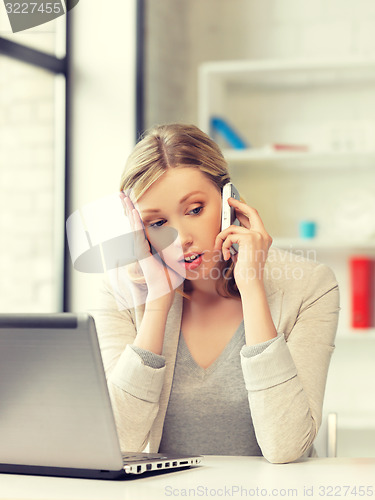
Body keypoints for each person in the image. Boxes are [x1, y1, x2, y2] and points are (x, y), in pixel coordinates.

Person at [91, 123, 340, 464]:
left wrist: (251, 286)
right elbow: (118, 443)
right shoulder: (120, 293)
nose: (181, 239)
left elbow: (286, 447)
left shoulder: (310, 286)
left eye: (194, 210)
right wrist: (157, 305)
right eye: (157, 223)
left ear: (228, 201)